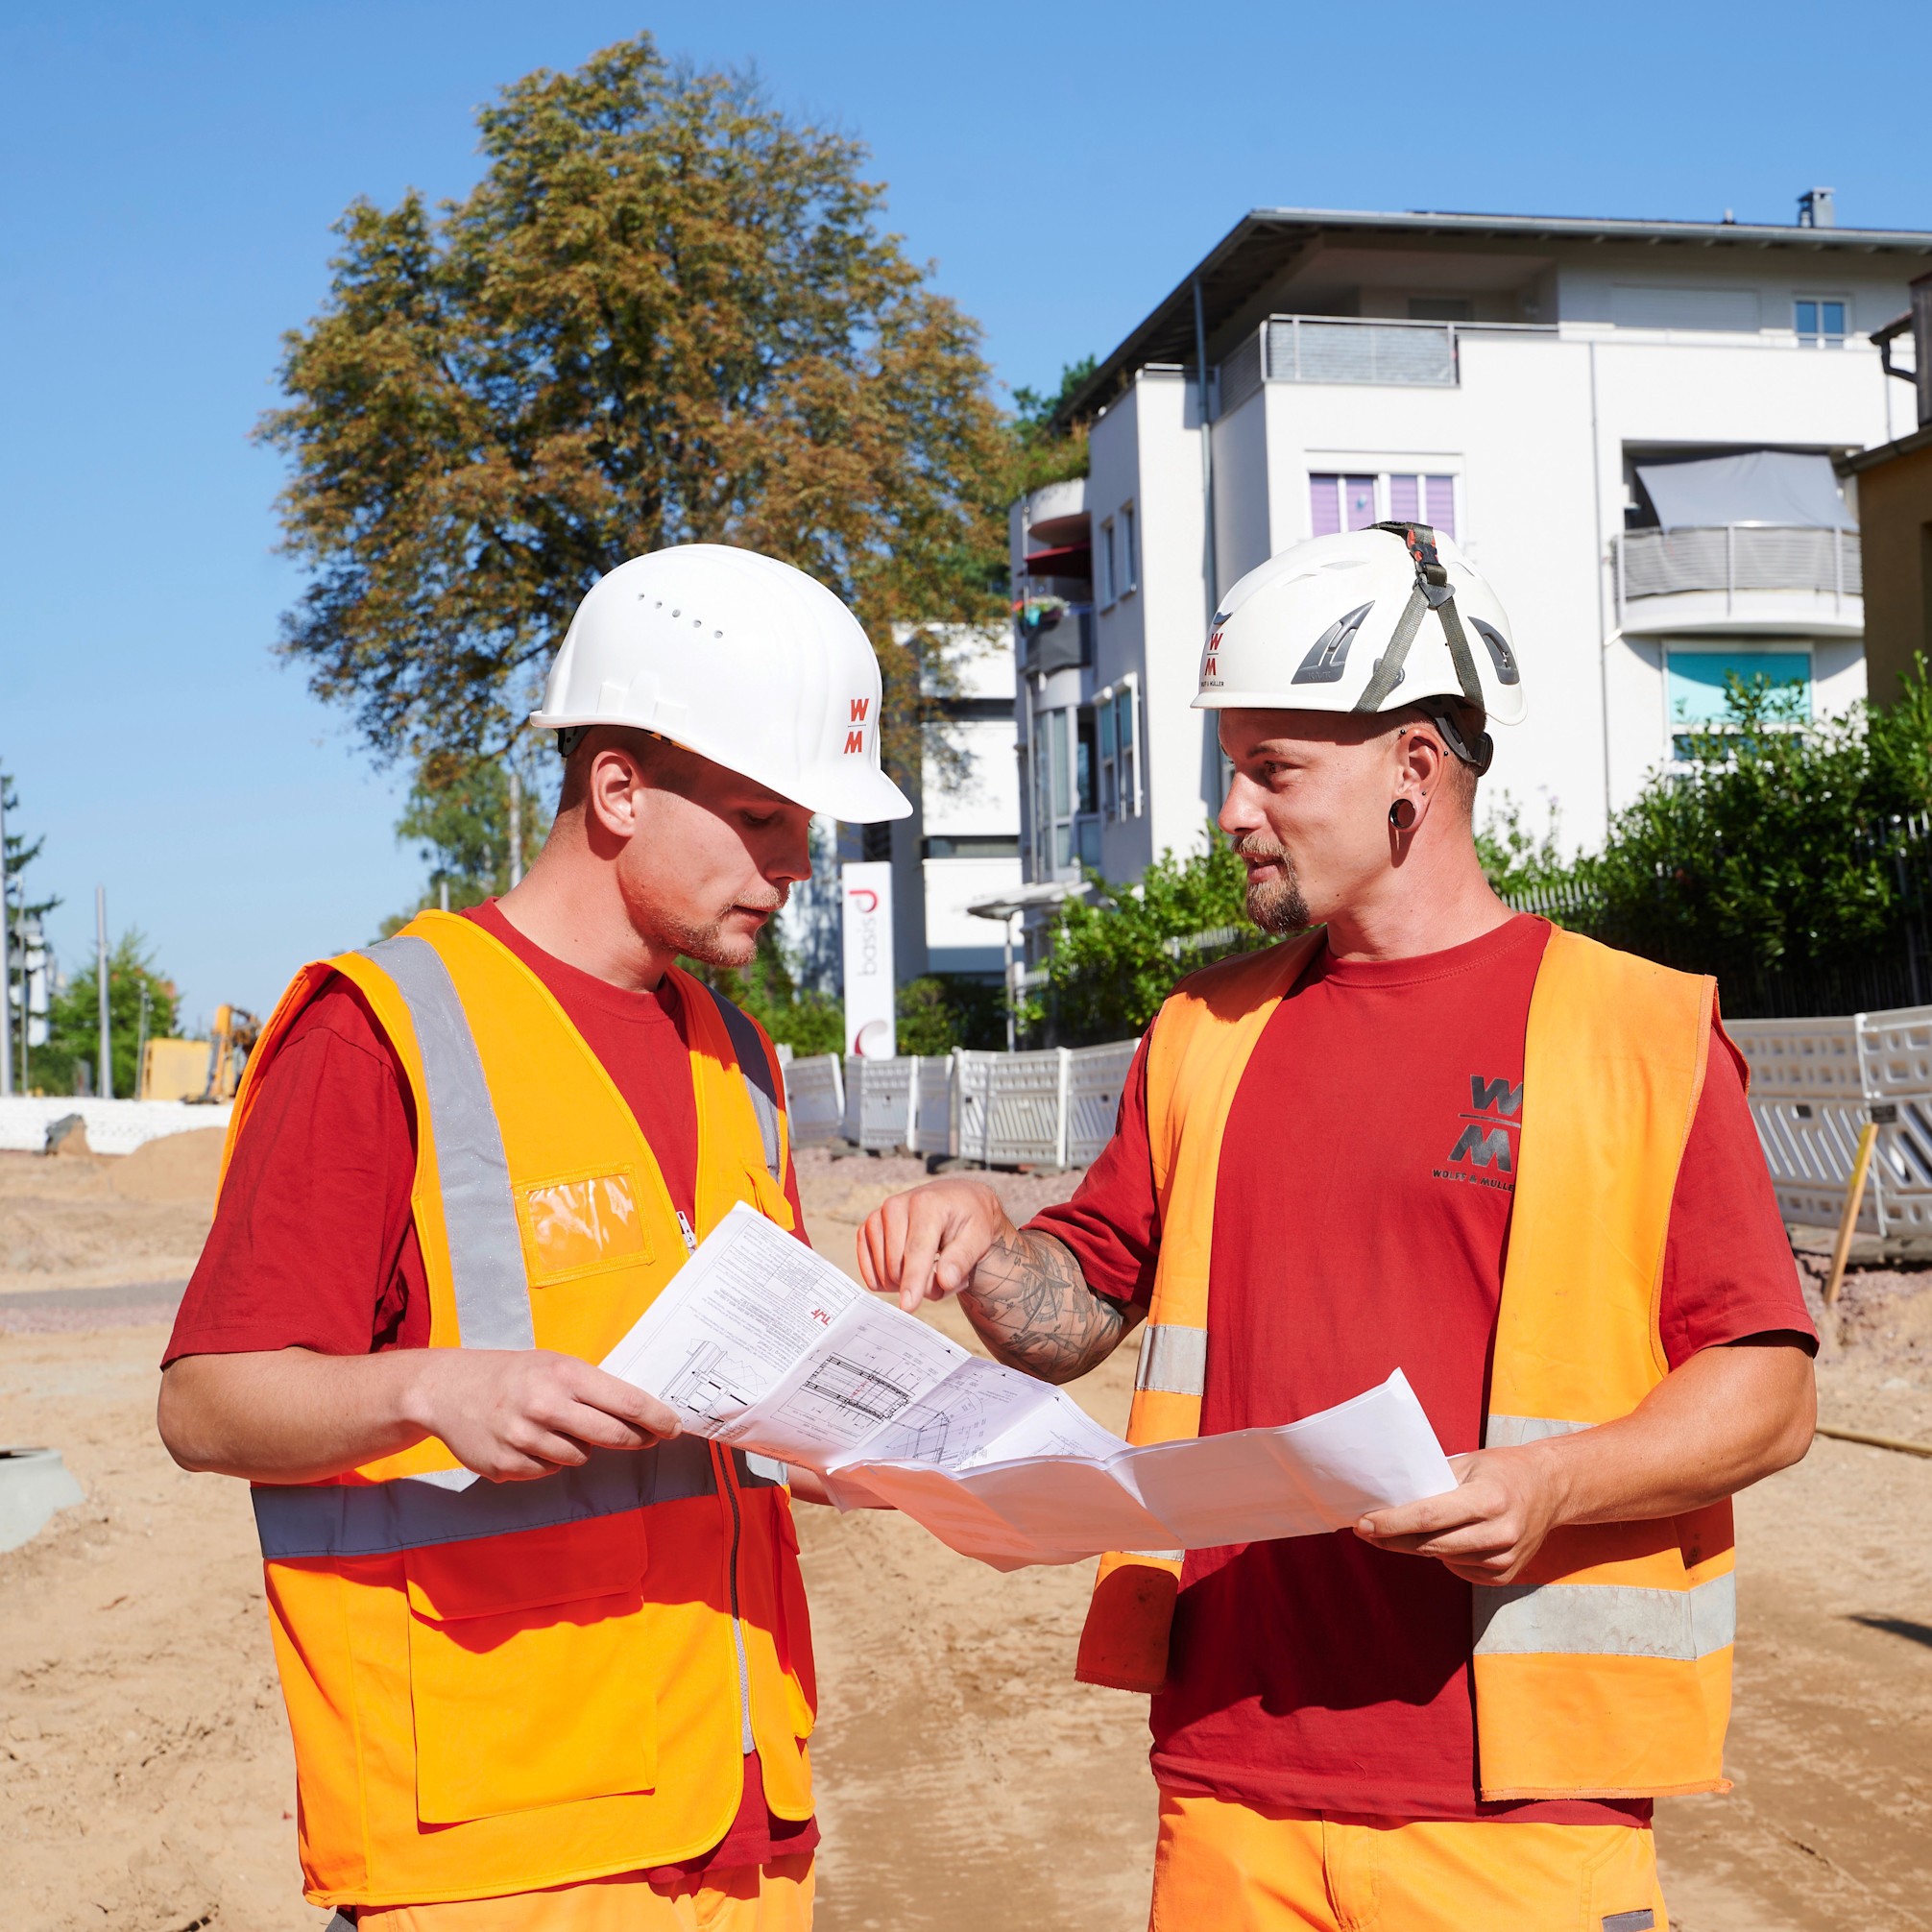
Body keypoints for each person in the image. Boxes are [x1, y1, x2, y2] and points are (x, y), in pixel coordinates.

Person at [858, 523, 1818, 1932]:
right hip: (1229, 1781)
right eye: (1230, 766)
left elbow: (1773, 1390)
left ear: (1414, 776)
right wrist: (983, 1237)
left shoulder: (1637, 1029)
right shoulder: (1202, 1030)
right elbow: (1074, 1310)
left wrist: (1552, 1485)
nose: (1234, 811)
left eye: (1276, 770)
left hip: (1517, 1814)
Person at [157, 544, 911, 1931]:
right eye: (760, 816)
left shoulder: (740, 1058)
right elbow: (204, 1403)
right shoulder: (383, 1028)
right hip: (499, 1850)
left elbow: (745, 1421)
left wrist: (884, 1440)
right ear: (617, 787)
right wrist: (430, 1388)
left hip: (741, 1821)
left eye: (806, 824)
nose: (798, 866)